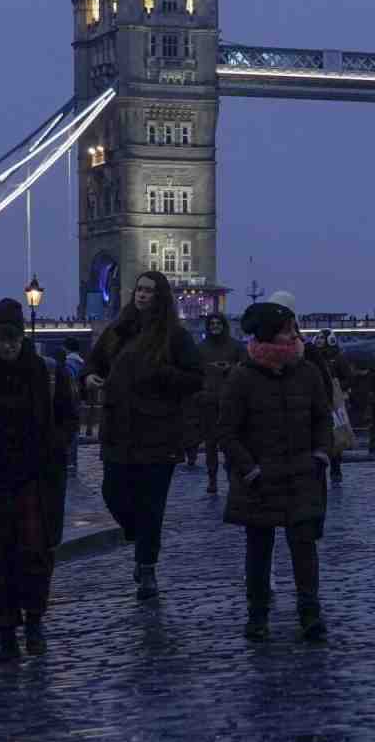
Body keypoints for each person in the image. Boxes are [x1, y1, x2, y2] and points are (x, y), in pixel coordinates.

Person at [0, 300, 78, 663]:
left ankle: (35, 622)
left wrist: (54, 446)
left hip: (36, 480)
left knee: (37, 557)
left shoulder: (49, 374)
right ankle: (6, 634)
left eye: (14, 338)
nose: (8, 345)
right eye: (1, 338)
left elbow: (68, 419)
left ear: (23, 338)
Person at [219, 300, 332, 641]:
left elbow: (322, 418)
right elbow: (228, 431)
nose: (295, 335)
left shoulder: (307, 372)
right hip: (260, 479)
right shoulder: (242, 377)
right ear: (269, 334)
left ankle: (310, 614)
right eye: (287, 330)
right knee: (259, 551)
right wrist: (249, 469)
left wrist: (320, 455)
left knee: (304, 548)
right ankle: (257, 615)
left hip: (301, 474)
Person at [88, 271, 203, 601]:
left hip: (158, 432)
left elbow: (196, 378)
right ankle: (138, 537)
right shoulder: (116, 331)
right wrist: (90, 377)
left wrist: (162, 374)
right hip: (118, 429)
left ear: (160, 297)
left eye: (149, 291)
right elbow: (93, 364)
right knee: (113, 494)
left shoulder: (175, 337)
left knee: (152, 505)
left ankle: (147, 567)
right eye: (139, 289)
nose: (142, 295)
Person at [194, 313, 247, 494]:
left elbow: (246, 366)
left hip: (230, 400)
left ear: (223, 325)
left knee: (231, 442)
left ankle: (232, 478)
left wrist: (230, 368)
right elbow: (194, 371)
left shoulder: (236, 346)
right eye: (212, 324)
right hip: (208, 400)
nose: (215, 326)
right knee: (210, 443)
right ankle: (212, 480)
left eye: (218, 323)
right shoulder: (201, 348)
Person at [303, 328, 353, 484]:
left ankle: (335, 468)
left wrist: (336, 386)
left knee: (334, 434)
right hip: (315, 401)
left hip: (333, 402)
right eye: (317, 338)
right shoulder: (310, 356)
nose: (318, 341)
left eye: (321, 338)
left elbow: (349, 378)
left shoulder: (337, 358)